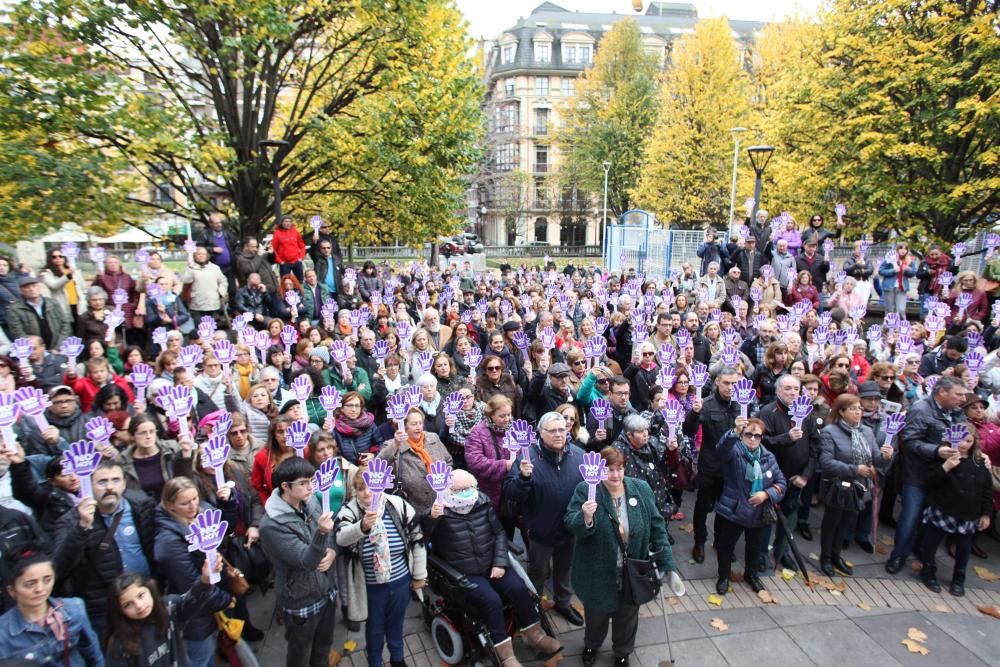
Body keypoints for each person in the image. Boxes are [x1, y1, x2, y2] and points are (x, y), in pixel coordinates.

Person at [423, 470, 562, 666]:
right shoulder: (439, 511)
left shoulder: (482, 503)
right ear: (447, 490)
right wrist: (430, 517)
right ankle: (506, 655)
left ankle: (535, 635)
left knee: (519, 589)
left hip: (492, 565)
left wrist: (499, 562)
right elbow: (421, 535)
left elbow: (499, 534)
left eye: (468, 488)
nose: (464, 493)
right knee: (492, 601)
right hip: (463, 573)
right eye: (458, 489)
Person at [565, 446, 674, 667]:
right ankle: (591, 645)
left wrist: (667, 563)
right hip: (597, 573)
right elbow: (571, 524)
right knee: (596, 616)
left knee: (627, 617)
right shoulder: (585, 489)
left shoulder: (640, 489)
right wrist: (586, 517)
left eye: (619, 469)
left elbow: (657, 526)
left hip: (632, 572)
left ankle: (622, 651)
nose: (615, 475)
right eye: (608, 470)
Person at [52, 459, 157, 637]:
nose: (110, 487)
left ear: (124, 483)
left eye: (115, 480)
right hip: (103, 607)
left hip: (144, 598)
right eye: (102, 482)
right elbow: (60, 567)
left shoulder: (142, 505)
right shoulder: (71, 521)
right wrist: (82, 528)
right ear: (89, 485)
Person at [335, 472, 427, 667]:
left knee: (396, 623)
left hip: (400, 580)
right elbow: (341, 538)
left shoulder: (398, 505)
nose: (367, 493)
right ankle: (375, 661)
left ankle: (397, 658)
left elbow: (417, 539)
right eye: (360, 489)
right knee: (374, 628)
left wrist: (419, 575)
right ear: (355, 491)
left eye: (371, 487)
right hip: (370, 586)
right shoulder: (349, 511)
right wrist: (361, 526)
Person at [502, 412, 586, 626]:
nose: (559, 434)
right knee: (538, 572)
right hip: (541, 530)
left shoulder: (578, 455)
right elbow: (511, 493)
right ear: (540, 433)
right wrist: (523, 478)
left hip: (569, 529)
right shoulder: (526, 458)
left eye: (562, 430)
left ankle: (563, 603)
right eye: (553, 431)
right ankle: (533, 608)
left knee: (564, 569)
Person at [259, 457, 338, 667]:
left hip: (326, 590)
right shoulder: (272, 525)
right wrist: (322, 533)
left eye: (312, 480)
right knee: (300, 654)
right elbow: (306, 560)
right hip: (301, 600)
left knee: (324, 645)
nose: (311, 487)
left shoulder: (310, 500)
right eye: (303, 483)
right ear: (285, 486)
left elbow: (330, 532)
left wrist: (331, 550)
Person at [885, 375, 968, 574]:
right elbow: (910, 442)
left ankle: (922, 550)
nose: (963, 399)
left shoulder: (957, 413)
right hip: (918, 474)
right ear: (942, 392)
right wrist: (936, 450)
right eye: (959, 395)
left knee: (931, 517)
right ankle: (899, 555)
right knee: (910, 516)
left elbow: (968, 436)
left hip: (944, 474)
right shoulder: (921, 409)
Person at [153, 477, 235, 667]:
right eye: (185, 503)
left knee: (210, 654)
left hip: (213, 598)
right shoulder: (168, 540)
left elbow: (226, 529)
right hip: (196, 612)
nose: (193, 506)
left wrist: (226, 504)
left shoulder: (202, 511)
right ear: (170, 505)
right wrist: (222, 599)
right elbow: (188, 581)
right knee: (199, 657)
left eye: (195, 499)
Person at [817, 394, 892, 577]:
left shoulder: (866, 431)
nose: (858, 412)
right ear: (841, 412)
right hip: (837, 486)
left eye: (859, 408)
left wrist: (886, 456)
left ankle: (836, 556)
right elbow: (826, 462)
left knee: (846, 523)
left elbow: (875, 458)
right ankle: (825, 558)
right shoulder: (830, 432)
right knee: (831, 523)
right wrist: (854, 469)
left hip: (859, 487)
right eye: (853, 409)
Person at [104, 556, 221, 667]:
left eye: (141, 595)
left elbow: (194, 598)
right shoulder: (119, 645)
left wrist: (206, 580)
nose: (139, 606)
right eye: (128, 604)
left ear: (150, 590)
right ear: (120, 610)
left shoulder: (168, 608)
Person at [713, 418, 786, 595]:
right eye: (748, 435)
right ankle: (723, 576)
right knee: (726, 546)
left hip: (758, 512)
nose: (753, 439)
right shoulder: (734, 451)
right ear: (742, 435)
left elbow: (781, 482)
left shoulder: (768, 457)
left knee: (754, 547)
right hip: (734, 510)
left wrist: (766, 494)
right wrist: (733, 433)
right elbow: (721, 451)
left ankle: (751, 575)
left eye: (757, 436)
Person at [916, 428, 992, 597]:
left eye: (969, 441)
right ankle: (928, 570)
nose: (964, 445)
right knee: (932, 542)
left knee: (964, 546)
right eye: (961, 440)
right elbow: (930, 481)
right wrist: (946, 466)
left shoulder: (979, 461)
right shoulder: (943, 457)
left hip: (968, 513)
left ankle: (959, 577)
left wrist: (986, 514)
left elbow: (986, 489)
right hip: (943, 508)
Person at [681, 367, 746, 563]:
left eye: (734, 383)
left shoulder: (741, 405)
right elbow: (689, 430)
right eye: (726, 383)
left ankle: (721, 541)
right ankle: (699, 541)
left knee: (726, 507)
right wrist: (694, 413)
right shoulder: (707, 405)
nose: (730, 387)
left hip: (732, 467)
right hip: (710, 466)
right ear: (717, 382)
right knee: (703, 505)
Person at [0, 552, 104, 666]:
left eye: (47, 580)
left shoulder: (74, 609)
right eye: (30, 584)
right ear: (12, 591)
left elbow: (93, 654)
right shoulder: (4, 634)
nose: (40, 589)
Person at [378, 408, 452, 513]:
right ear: (404, 426)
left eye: (420, 423)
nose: (418, 427)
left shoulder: (433, 438)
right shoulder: (392, 445)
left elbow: (448, 461)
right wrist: (395, 445)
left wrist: (445, 481)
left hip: (441, 503)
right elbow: (379, 466)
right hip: (413, 508)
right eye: (414, 424)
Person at [5, 274, 73, 349]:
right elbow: (17, 333)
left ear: (39, 287)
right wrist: (37, 349)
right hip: (34, 350)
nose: (31, 289)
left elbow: (65, 325)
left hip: (58, 347)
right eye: (26, 287)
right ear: (21, 291)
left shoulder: (53, 303)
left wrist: (58, 347)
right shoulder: (15, 309)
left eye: (34, 286)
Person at [272, 215, 307, 282]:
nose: (288, 223)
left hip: (297, 261)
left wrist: (300, 258)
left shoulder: (295, 232)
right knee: (285, 282)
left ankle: (300, 292)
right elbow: (274, 249)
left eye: (289, 222)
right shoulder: (277, 233)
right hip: (285, 263)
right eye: (286, 222)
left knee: (300, 281)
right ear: (282, 223)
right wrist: (280, 261)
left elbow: (302, 246)